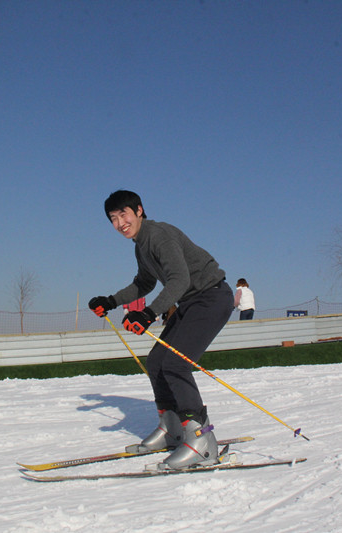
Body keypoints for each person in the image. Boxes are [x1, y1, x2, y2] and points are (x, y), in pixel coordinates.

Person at [88, 190, 233, 470]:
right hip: (192, 302)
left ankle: (203, 442)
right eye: (113, 218)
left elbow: (180, 278)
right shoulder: (141, 244)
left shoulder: (159, 235)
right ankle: (172, 429)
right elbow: (144, 282)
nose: (120, 223)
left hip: (211, 297)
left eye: (124, 214)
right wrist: (112, 301)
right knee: (157, 362)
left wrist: (149, 313)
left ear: (139, 210)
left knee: (176, 364)